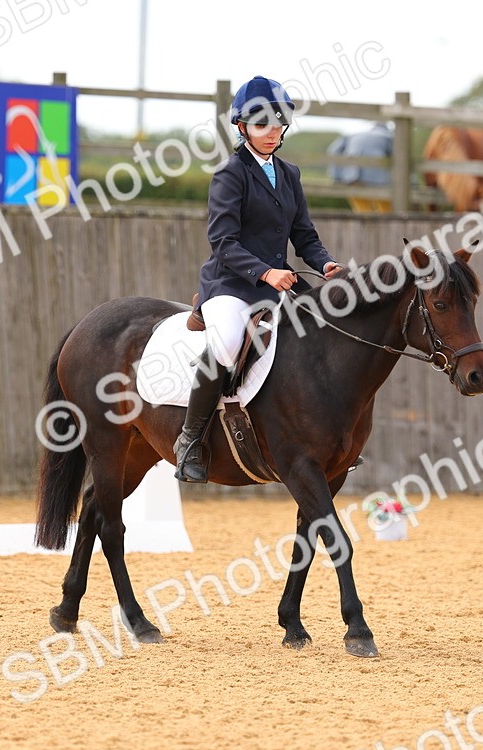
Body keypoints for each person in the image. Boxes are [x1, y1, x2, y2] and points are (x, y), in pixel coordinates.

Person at [174, 75, 342, 483]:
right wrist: (265, 271)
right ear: (242, 126)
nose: (272, 132)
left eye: (278, 124)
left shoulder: (290, 174)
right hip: (232, 284)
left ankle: (329, 439)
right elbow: (223, 241)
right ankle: (190, 440)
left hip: (280, 283)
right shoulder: (230, 175)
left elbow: (304, 236)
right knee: (229, 342)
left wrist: (325, 266)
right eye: (262, 124)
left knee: (326, 333)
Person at [327, 121, 393, 213]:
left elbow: (333, 150)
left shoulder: (353, 134)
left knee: (362, 211)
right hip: (378, 179)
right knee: (386, 212)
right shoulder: (388, 137)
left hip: (352, 177)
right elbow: (401, 161)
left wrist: (337, 177)